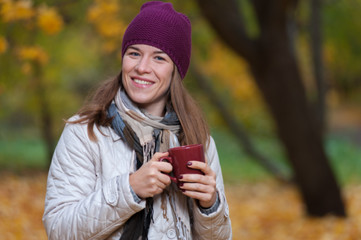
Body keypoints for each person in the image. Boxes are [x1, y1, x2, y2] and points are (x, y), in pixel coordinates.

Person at [42, 1, 232, 239]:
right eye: (134, 53)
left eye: (159, 58)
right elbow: (59, 230)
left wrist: (211, 205)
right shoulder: (85, 132)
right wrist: (130, 189)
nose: (142, 67)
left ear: (175, 71)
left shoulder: (197, 139)